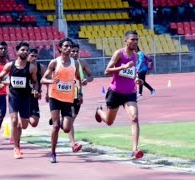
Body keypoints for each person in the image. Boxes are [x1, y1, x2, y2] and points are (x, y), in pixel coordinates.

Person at [94, 30, 144, 160]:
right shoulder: (119, 53)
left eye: (136, 40)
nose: (135, 42)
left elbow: (134, 72)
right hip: (115, 92)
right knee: (109, 122)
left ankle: (134, 150)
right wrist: (123, 67)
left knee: (134, 117)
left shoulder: (137, 56)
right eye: (132, 39)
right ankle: (99, 111)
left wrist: (137, 79)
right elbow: (107, 71)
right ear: (126, 40)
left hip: (130, 93)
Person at [41, 38, 82, 163]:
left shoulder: (75, 63)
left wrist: (79, 92)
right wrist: (52, 81)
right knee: (56, 126)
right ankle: (53, 153)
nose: (68, 48)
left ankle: (57, 119)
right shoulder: (54, 63)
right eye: (65, 46)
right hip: (55, 96)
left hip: (68, 98)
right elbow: (43, 79)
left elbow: (78, 78)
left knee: (67, 128)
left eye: (70, 46)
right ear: (60, 48)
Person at [0, 42, 39, 159]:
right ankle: (16, 148)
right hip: (13, 96)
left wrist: (35, 90)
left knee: (24, 125)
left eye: (27, 50)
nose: (25, 52)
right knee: (14, 121)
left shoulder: (31, 67)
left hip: (25, 98)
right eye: (23, 50)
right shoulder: (10, 66)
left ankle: (16, 136)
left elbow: (35, 82)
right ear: (17, 52)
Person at [67, 43, 94, 152]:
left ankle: (62, 123)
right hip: (65, 95)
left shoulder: (82, 63)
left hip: (77, 95)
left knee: (71, 120)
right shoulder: (63, 63)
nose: (74, 53)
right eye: (72, 51)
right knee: (70, 118)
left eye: (76, 51)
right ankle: (73, 143)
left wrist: (87, 80)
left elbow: (91, 76)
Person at [27, 48, 46, 127]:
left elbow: (46, 80)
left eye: (35, 56)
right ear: (27, 55)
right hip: (23, 97)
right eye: (31, 56)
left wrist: (47, 93)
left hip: (34, 96)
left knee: (34, 123)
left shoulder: (41, 67)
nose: (34, 58)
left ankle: (24, 117)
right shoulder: (22, 67)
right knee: (22, 121)